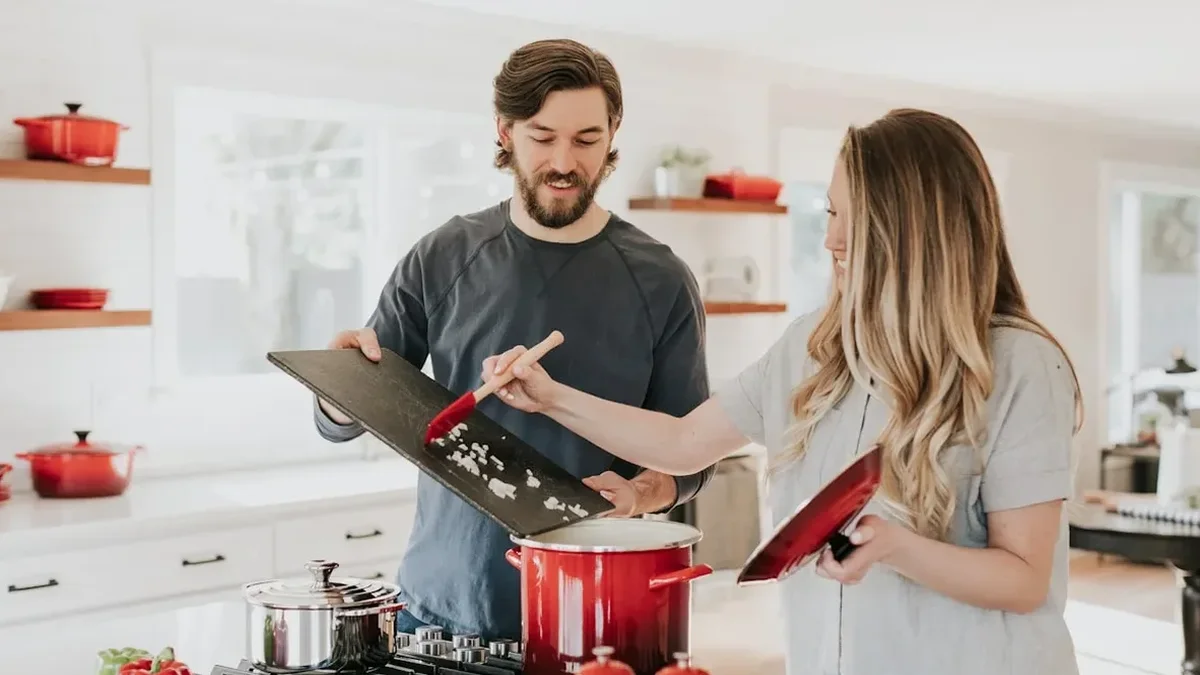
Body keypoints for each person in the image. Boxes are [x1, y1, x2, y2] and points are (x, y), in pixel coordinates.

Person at [483, 108, 1085, 675]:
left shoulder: (1020, 365)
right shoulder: (813, 347)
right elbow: (683, 443)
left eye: (853, 218)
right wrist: (549, 396)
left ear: (915, 231)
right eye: (829, 212)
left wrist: (896, 547)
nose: (831, 240)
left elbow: (1025, 579)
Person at [311, 38, 716, 641]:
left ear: (613, 134)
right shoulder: (442, 256)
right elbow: (348, 414)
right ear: (505, 131)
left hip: (593, 613)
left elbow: (693, 453)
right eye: (542, 137)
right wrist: (336, 389)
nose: (564, 162)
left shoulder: (661, 279)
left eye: (586, 140)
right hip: (438, 612)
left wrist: (640, 492)